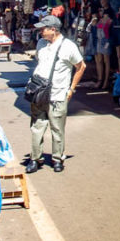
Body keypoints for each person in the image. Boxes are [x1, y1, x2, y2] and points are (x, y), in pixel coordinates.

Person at [26, 15, 85, 174]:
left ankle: (57, 158)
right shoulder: (40, 44)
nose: (40, 31)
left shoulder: (69, 47)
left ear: (53, 30)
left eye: (43, 29)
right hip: (38, 93)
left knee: (57, 129)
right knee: (37, 127)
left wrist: (71, 89)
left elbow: (81, 66)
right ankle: (35, 158)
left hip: (58, 94)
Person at [94, 9, 112, 90]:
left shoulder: (110, 21)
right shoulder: (100, 21)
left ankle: (106, 81)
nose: (100, 13)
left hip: (106, 41)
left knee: (106, 60)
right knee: (100, 60)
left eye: (102, 12)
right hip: (99, 41)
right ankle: (100, 79)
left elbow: (110, 33)